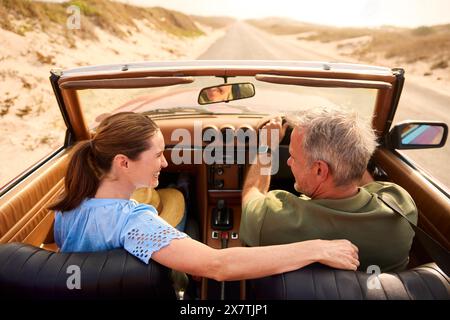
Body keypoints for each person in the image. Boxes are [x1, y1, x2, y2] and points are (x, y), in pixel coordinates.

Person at [49, 111, 359, 283]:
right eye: (158, 155)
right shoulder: (136, 222)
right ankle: (184, 190)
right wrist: (316, 248)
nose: (165, 162)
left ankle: (182, 189)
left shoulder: (69, 205)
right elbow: (218, 265)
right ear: (123, 162)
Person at [240, 107, 417, 272]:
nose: (288, 161)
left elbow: (251, 191)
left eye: (293, 157)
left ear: (319, 170)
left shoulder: (273, 218)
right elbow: (366, 183)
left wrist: (268, 145)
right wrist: (350, 151)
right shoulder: (401, 206)